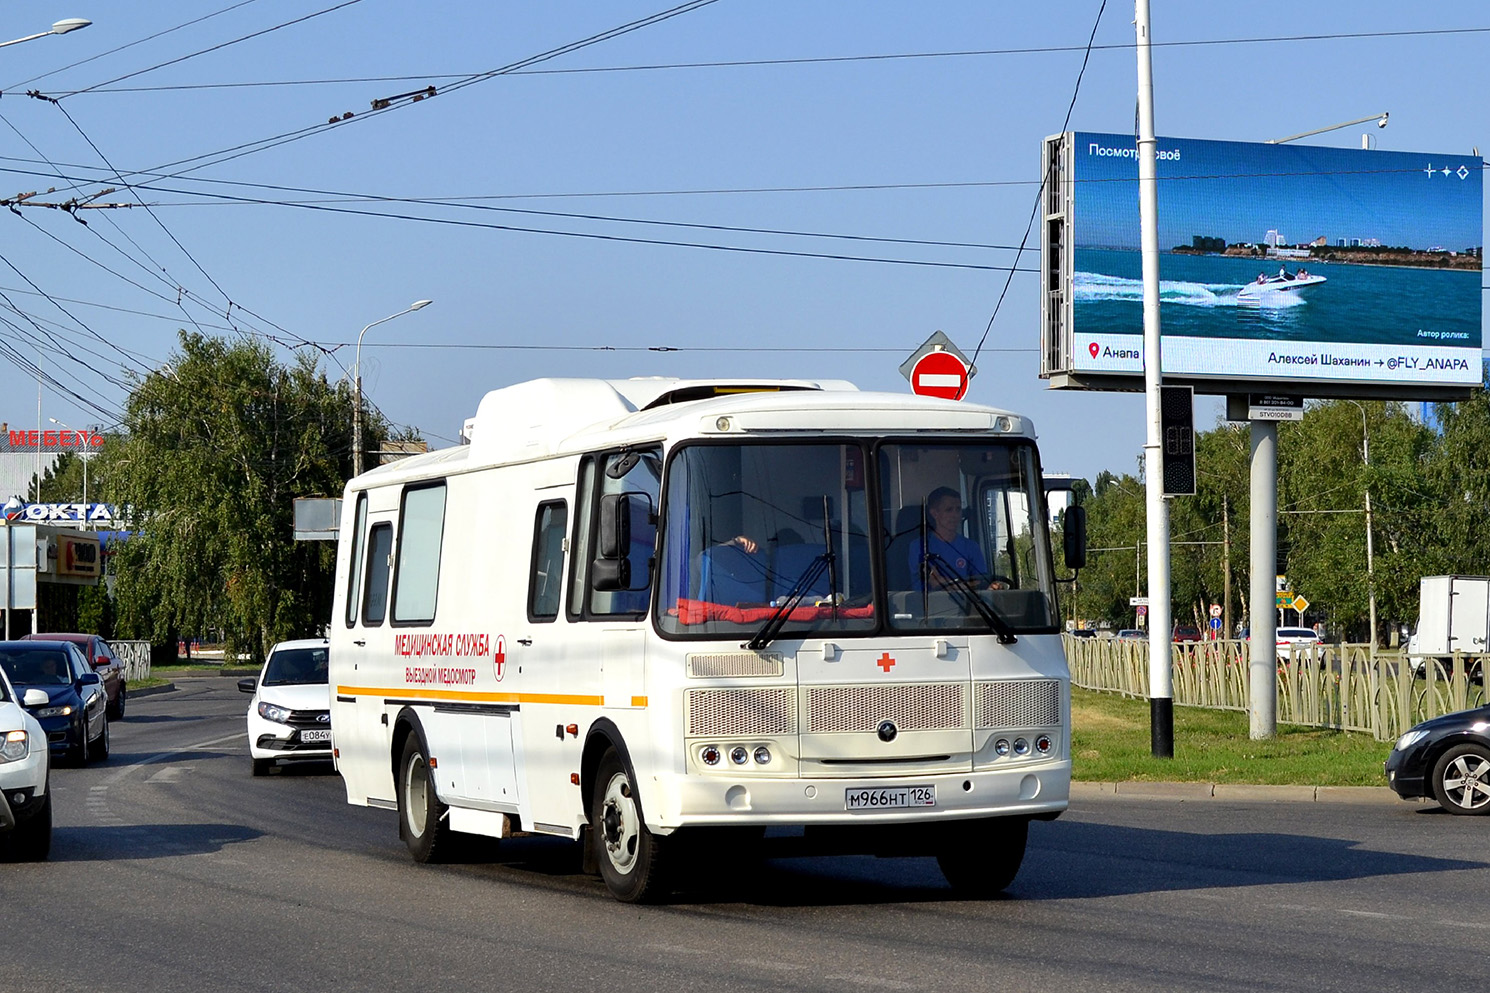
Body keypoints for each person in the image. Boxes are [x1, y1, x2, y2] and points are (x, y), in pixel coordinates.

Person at [908, 487, 1004, 590]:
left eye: (958, 509)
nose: (955, 515)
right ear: (934, 513)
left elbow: (981, 582)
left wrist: (944, 581)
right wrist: (968, 586)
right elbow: (935, 583)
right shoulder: (920, 547)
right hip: (930, 604)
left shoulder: (971, 547)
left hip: (967, 605)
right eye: (949, 510)